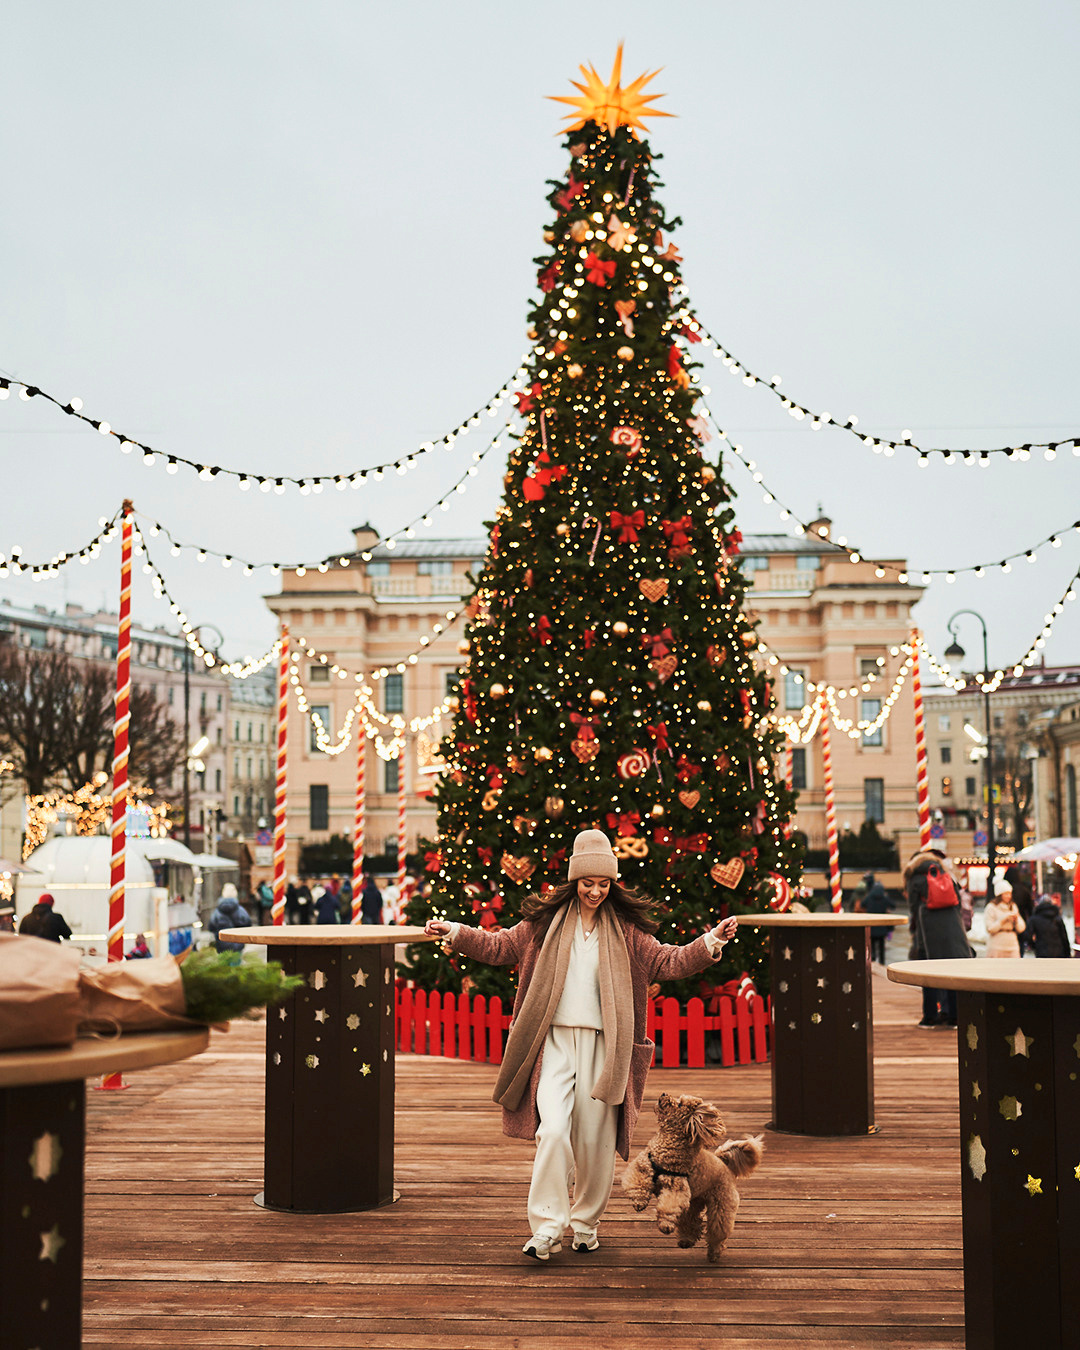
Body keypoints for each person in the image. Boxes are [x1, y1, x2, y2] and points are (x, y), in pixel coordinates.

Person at [423, 828, 739, 1261]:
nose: (595, 891)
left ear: (612, 884)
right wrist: (457, 932)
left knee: (594, 1140)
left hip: (606, 1049)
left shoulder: (626, 931)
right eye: (587, 883)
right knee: (551, 1131)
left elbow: (668, 960)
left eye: (603, 883)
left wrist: (711, 942)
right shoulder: (544, 924)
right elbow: (498, 947)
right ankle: (547, 1228)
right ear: (574, 881)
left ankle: (586, 1224)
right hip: (552, 1042)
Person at [905, 851, 971, 1028]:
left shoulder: (915, 879)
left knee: (928, 975)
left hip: (927, 930)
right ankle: (954, 1016)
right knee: (952, 972)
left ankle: (930, 1016)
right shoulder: (946, 875)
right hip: (952, 930)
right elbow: (957, 902)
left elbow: (912, 907)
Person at [984, 878, 1025, 958]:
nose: (1008, 896)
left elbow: (1021, 928)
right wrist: (1003, 919)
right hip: (996, 945)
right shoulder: (991, 907)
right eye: (1006, 894)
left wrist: (1016, 920)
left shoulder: (1013, 906)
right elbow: (990, 928)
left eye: (1009, 893)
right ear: (1000, 894)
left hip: (1012, 944)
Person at [861, 872, 894, 966]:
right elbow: (893, 905)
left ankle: (872, 963)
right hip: (882, 927)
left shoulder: (869, 897)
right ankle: (882, 963)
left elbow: (863, 904)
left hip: (872, 926)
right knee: (881, 946)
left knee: (872, 947)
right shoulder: (884, 897)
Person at [207, 883, 251, 952]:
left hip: (221, 946)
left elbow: (211, 927)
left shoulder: (217, 912)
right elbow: (248, 924)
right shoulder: (241, 911)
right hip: (238, 946)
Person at [1028, 893, 1072, 958]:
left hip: (1041, 952)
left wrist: (1034, 946)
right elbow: (1064, 937)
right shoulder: (1057, 918)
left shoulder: (1034, 919)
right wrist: (1067, 953)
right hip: (1058, 952)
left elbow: (1028, 936)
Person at [1003, 864, 1034, 952]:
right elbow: (1030, 909)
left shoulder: (1004, 891)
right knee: (1020, 948)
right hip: (1020, 922)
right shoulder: (1024, 890)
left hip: (1006, 922)